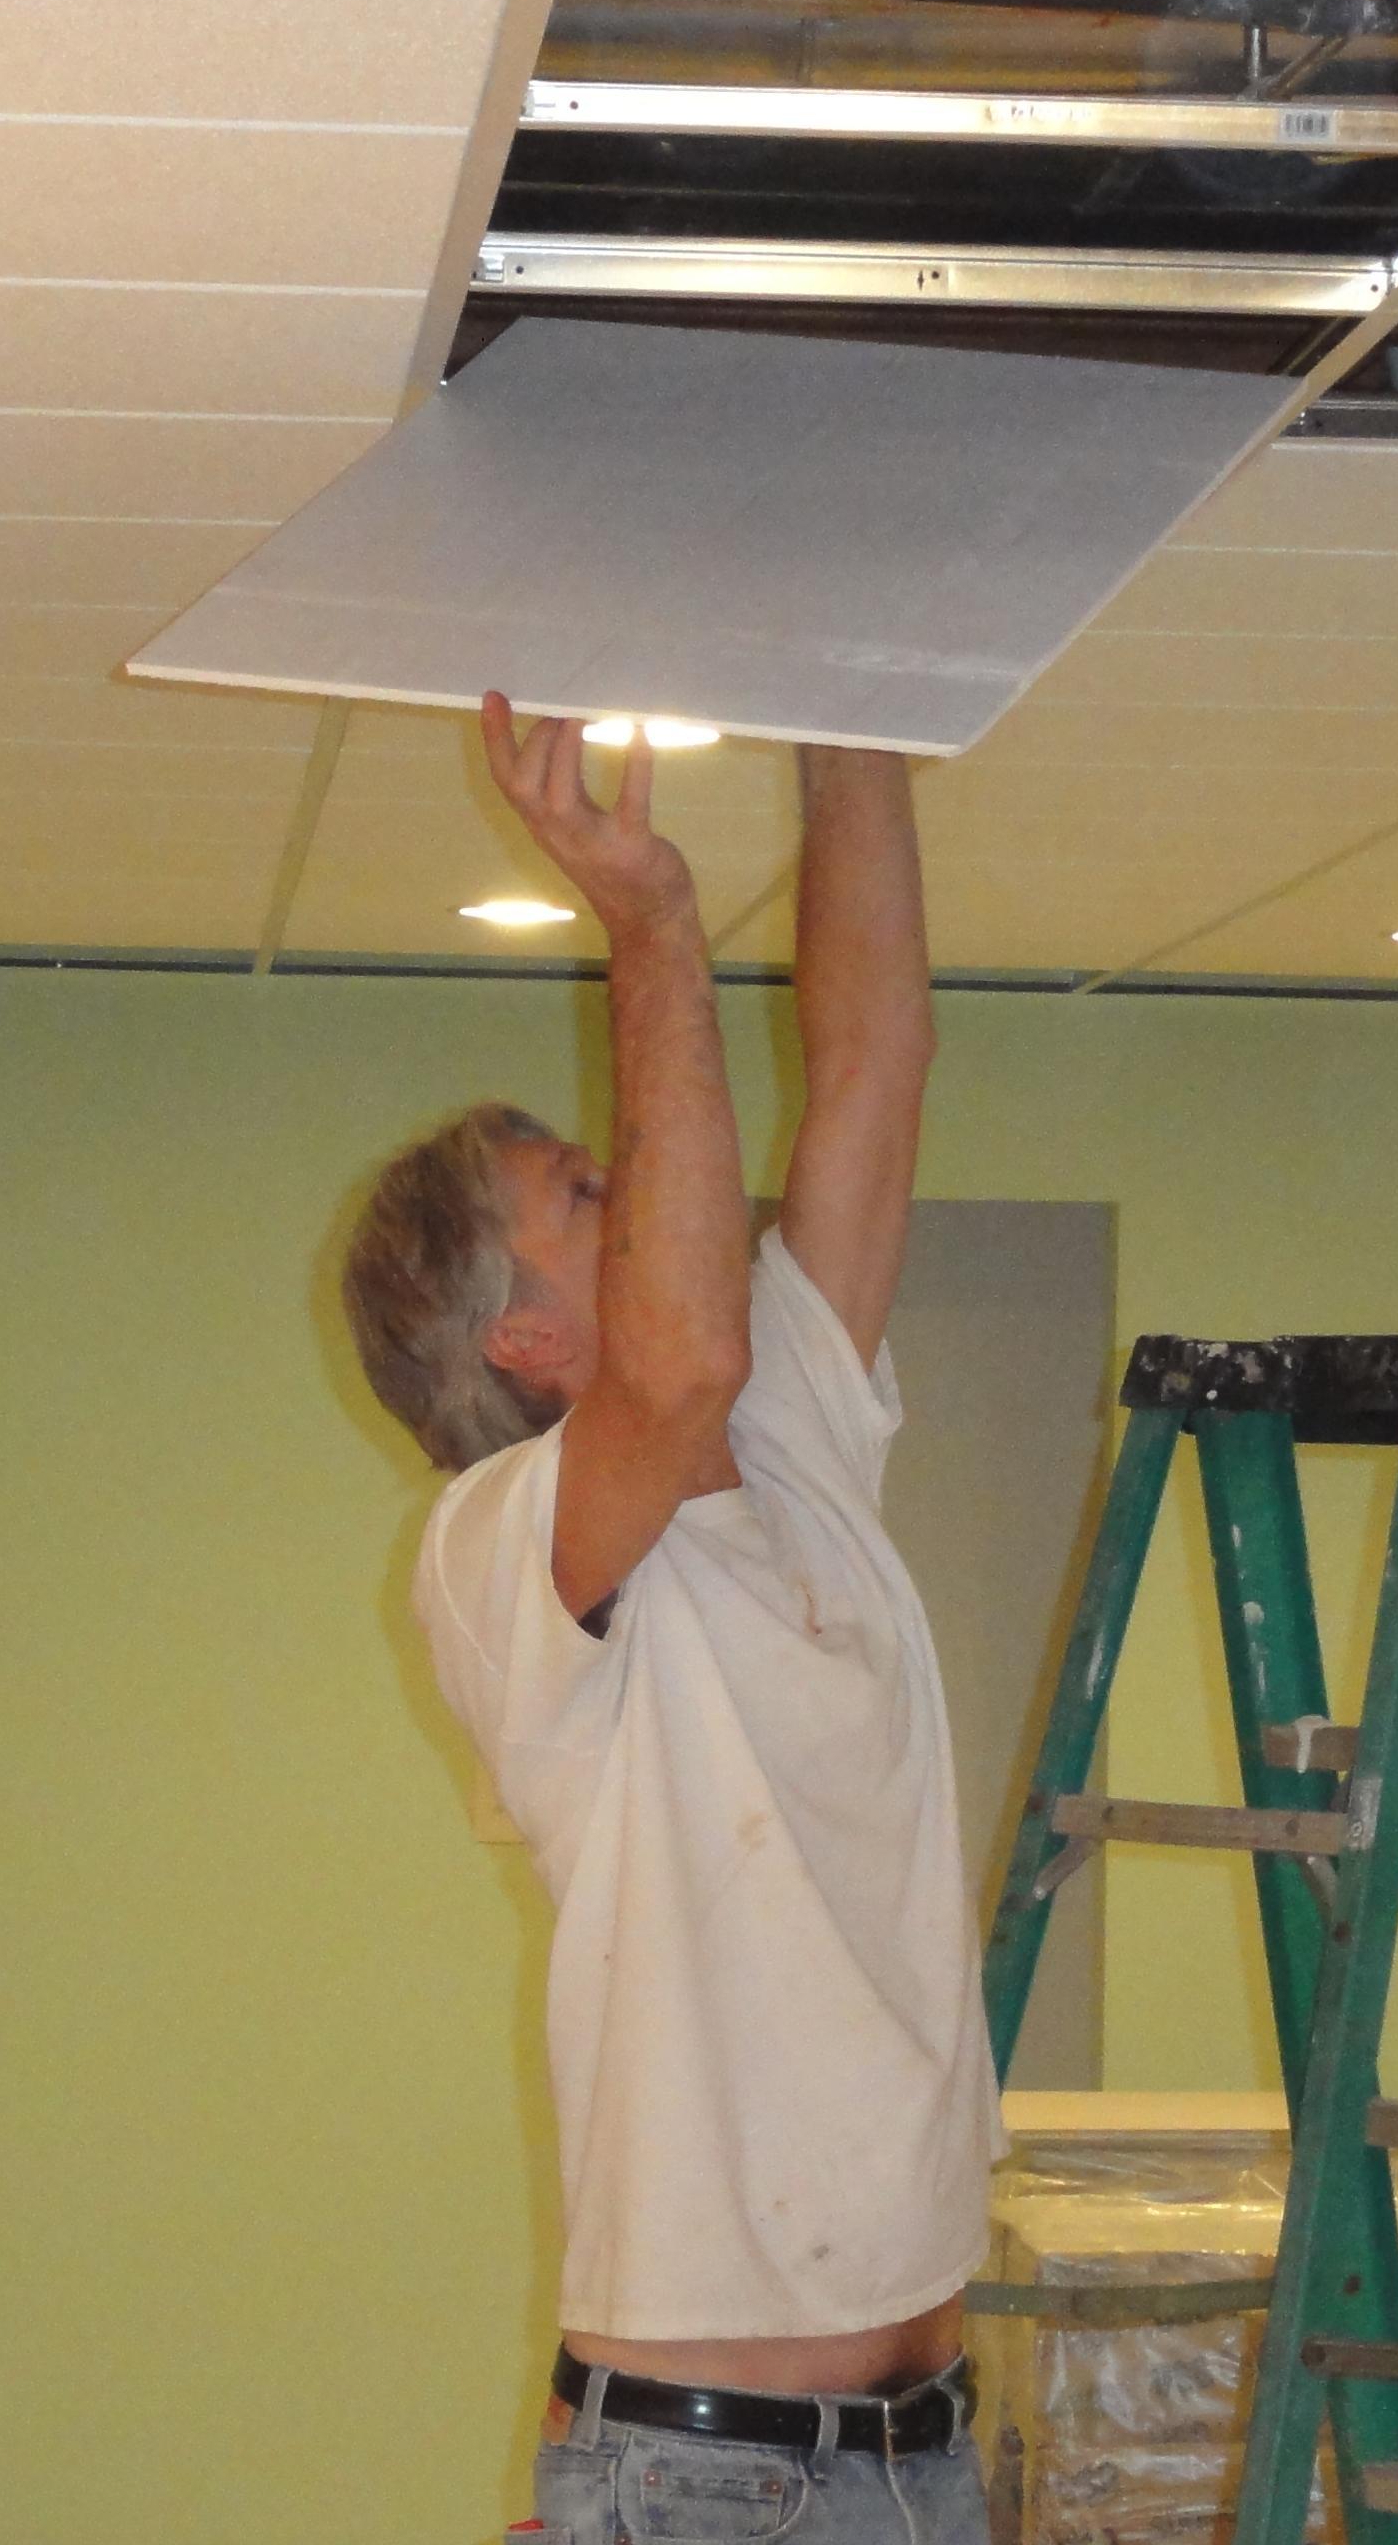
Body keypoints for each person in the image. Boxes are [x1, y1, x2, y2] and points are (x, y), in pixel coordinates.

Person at [340, 694, 1002, 2545]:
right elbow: (684, 1340)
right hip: (710, 2480)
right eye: (583, 1198)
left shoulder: (779, 1428)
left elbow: (873, 1073)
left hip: (927, 2446)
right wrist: (651, 923)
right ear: (524, 1342)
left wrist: (843, 702)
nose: (637, 1189)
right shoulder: (497, 1556)